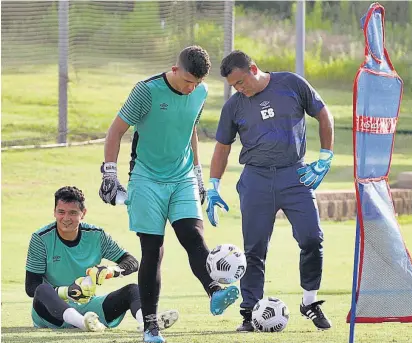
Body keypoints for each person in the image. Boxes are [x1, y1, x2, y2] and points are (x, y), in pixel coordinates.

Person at [99, 45, 239, 343]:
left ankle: (215, 291)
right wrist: (109, 172)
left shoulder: (200, 94)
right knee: (153, 249)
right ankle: (150, 326)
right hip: (146, 178)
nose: (191, 88)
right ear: (175, 70)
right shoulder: (146, 91)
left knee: (193, 236)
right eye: (188, 81)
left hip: (182, 176)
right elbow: (116, 131)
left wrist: (199, 175)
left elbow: (190, 131)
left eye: (197, 83)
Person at [206, 50, 334, 332]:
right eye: (234, 86)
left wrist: (325, 156)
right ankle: (250, 313)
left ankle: (310, 302)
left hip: (295, 175)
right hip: (256, 180)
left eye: (241, 82)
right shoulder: (235, 106)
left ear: (253, 68)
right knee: (254, 251)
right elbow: (222, 147)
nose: (239, 89)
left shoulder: (291, 84)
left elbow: (324, 115)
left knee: (312, 238)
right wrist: (213, 185)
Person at [25, 186, 179, 333]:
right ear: (54, 212)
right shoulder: (41, 239)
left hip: (89, 308)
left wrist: (111, 271)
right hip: (51, 312)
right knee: (42, 289)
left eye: (72, 213)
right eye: (61, 212)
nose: (66, 218)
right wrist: (68, 292)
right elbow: (31, 287)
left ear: (83, 213)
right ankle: (81, 323)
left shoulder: (96, 235)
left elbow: (131, 262)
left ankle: (146, 322)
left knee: (133, 290)